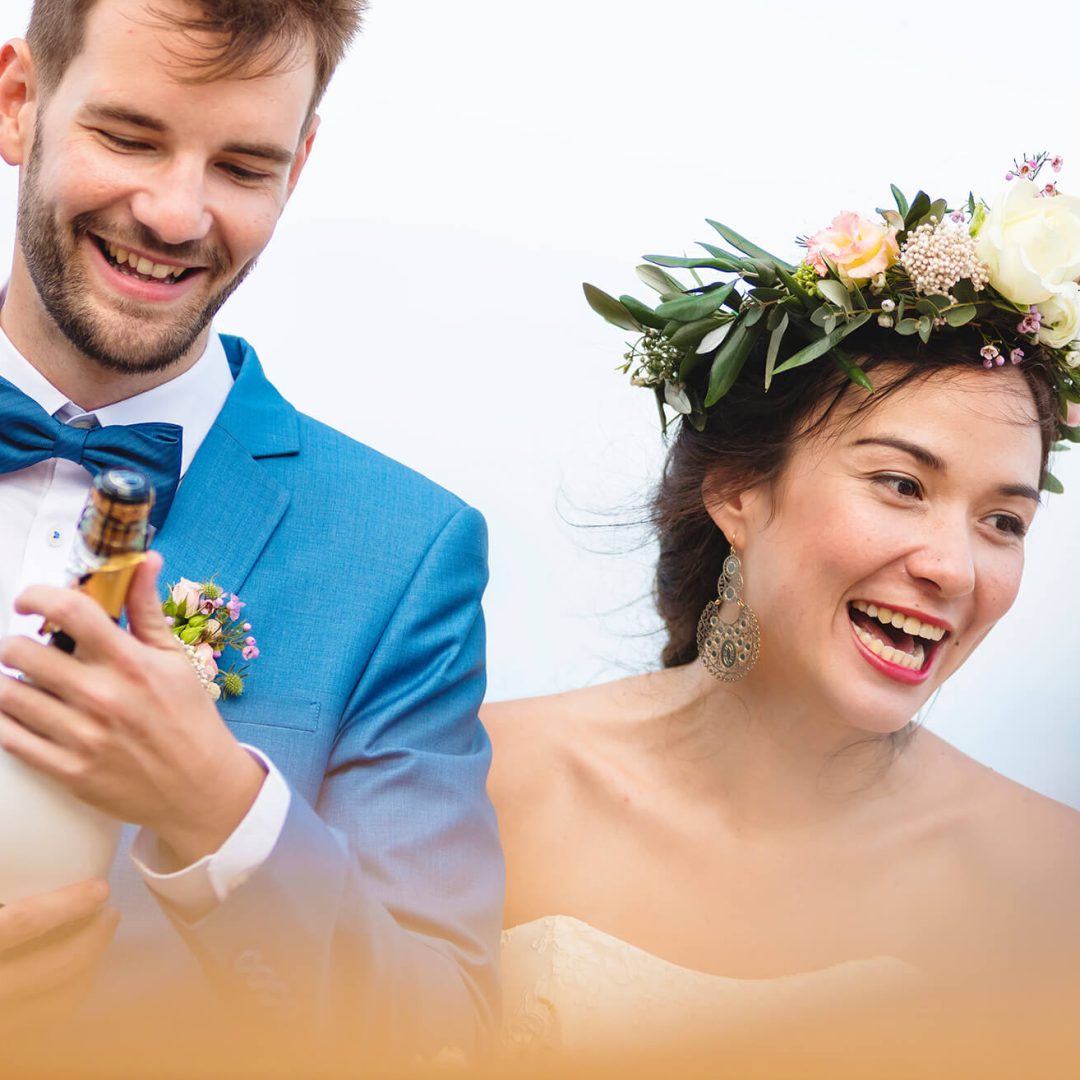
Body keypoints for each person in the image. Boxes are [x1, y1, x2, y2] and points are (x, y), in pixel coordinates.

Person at [486, 167, 1080, 1072]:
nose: (954, 568)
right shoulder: (485, 785)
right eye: (901, 485)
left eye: (1004, 521)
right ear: (736, 490)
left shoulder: (1050, 883)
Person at [0, 0, 502, 1071]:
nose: (177, 214)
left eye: (241, 166)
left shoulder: (406, 559)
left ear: (300, 164)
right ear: (18, 103)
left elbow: (449, 1045)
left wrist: (218, 811)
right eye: (129, 137)